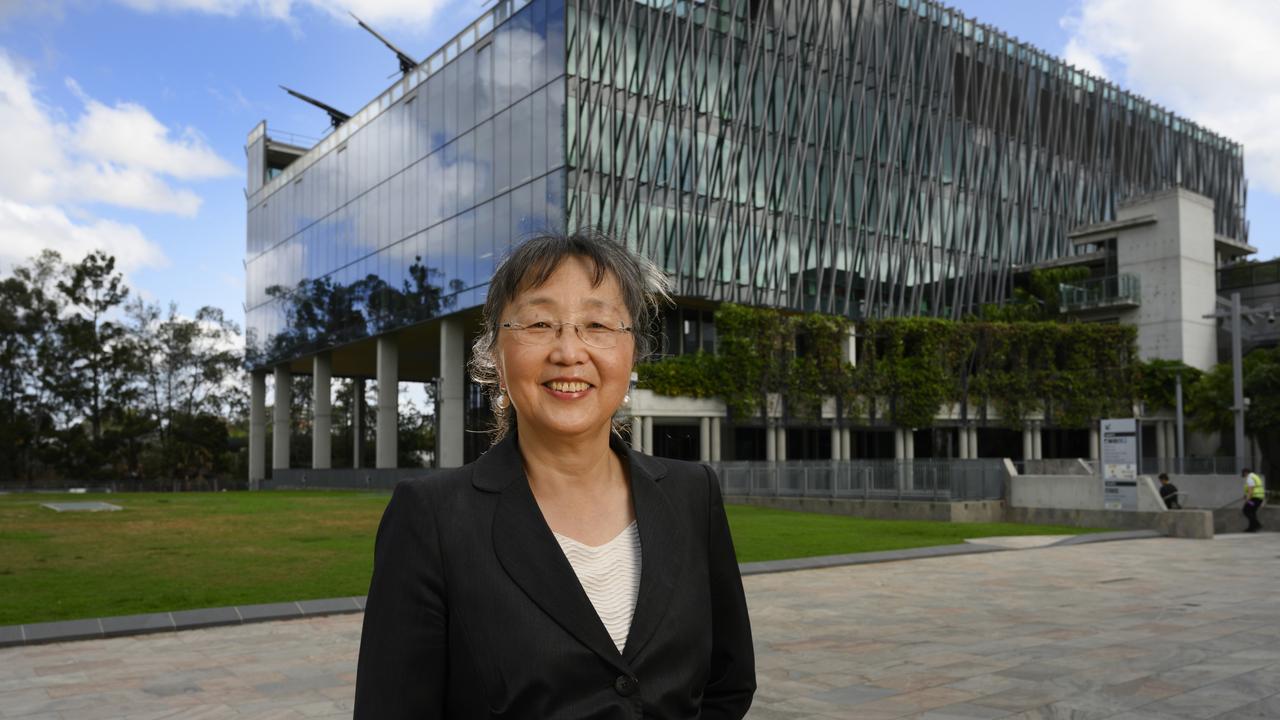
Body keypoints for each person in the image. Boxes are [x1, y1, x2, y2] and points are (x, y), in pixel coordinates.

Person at [354, 231, 756, 719]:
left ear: (631, 356)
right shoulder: (431, 518)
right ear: (496, 359)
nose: (569, 351)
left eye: (598, 324)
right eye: (540, 323)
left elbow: (728, 685)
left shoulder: (694, 496)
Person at [1242, 467, 1266, 533]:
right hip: (1259, 498)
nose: (1244, 477)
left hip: (1253, 499)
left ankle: (1257, 524)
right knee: (1252, 511)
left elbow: (1251, 489)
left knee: (1245, 510)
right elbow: (1259, 488)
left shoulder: (1250, 477)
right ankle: (1252, 528)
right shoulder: (1256, 476)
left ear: (1245, 472)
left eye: (1244, 475)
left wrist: (1247, 499)